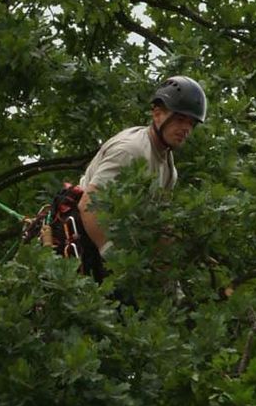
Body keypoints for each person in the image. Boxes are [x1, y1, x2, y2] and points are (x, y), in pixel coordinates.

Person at [52, 75, 207, 277]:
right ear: (157, 114)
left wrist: (169, 275)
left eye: (191, 123)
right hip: (83, 243)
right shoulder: (131, 150)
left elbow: (159, 225)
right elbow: (89, 205)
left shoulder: (168, 168)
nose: (186, 129)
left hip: (116, 245)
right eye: (180, 119)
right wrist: (115, 261)